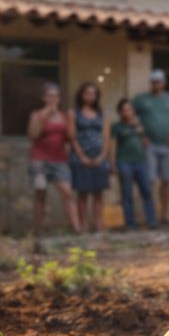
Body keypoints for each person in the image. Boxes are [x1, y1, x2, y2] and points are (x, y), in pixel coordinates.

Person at [27, 82, 82, 239]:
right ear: (44, 98)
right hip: (39, 160)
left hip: (59, 160)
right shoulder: (36, 114)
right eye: (49, 96)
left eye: (55, 96)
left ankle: (76, 228)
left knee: (67, 193)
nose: (52, 99)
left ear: (59, 98)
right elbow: (32, 135)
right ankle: (38, 231)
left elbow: (71, 137)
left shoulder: (65, 115)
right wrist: (44, 115)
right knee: (40, 193)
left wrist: (71, 120)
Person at [133, 69, 169, 225]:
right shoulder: (141, 100)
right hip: (150, 146)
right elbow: (132, 118)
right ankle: (150, 215)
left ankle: (166, 214)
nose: (156, 84)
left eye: (159, 81)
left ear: (164, 83)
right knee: (150, 181)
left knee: (167, 181)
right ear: (150, 83)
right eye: (154, 81)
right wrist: (142, 136)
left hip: (168, 146)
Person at [67, 81, 110, 233]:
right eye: (87, 93)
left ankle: (98, 225)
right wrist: (82, 156)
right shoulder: (74, 112)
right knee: (82, 193)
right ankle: (83, 225)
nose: (90, 96)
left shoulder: (100, 113)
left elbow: (106, 137)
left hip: (99, 158)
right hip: (80, 158)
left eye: (93, 93)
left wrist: (103, 156)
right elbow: (72, 137)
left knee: (98, 193)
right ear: (81, 94)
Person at [110, 98, 157, 230]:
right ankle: (130, 223)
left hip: (140, 162)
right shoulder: (116, 127)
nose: (127, 112)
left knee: (147, 191)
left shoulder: (140, 126)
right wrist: (112, 162)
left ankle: (151, 221)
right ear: (120, 112)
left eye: (129, 109)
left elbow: (146, 143)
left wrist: (140, 131)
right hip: (124, 162)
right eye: (124, 110)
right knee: (127, 193)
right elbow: (113, 145)